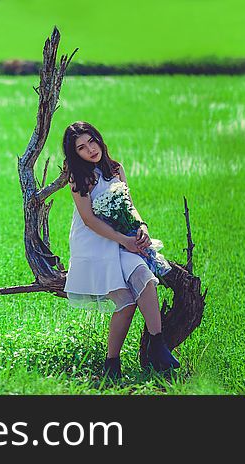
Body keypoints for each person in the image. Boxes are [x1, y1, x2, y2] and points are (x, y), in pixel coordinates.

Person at [61, 121, 180, 379]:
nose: (90, 149)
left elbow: (129, 205)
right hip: (93, 243)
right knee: (126, 302)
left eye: (91, 141)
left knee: (145, 276)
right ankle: (111, 365)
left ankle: (158, 346)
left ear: (99, 138)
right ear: (75, 154)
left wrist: (142, 227)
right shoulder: (79, 179)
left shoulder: (115, 169)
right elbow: (89, 220)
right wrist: (123, 240)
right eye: (81, 148)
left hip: (120, 239)